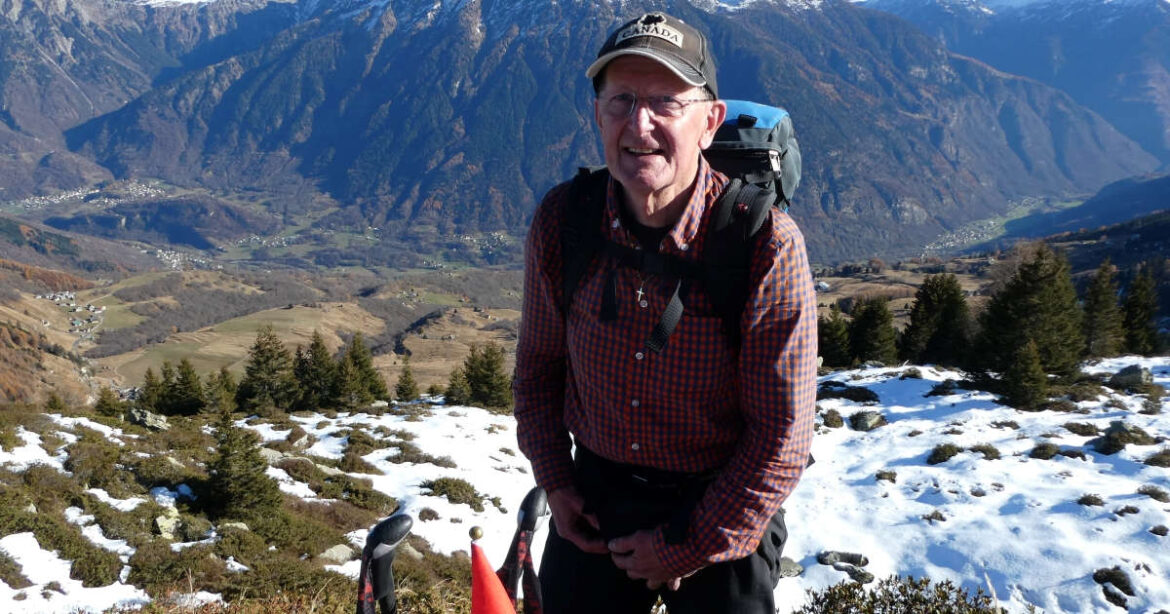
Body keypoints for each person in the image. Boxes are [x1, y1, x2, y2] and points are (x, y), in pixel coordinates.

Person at [513, 11, 817, 614]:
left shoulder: (765, 246)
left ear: (710, 121)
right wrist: (559, 482)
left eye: (665, 102)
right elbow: (538, 369)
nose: (639, 124)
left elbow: (782, 436)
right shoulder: (564, 222)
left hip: (723, 499)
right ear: (597, 114)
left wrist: (690, 545)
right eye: (620, 100)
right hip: (597, 494)